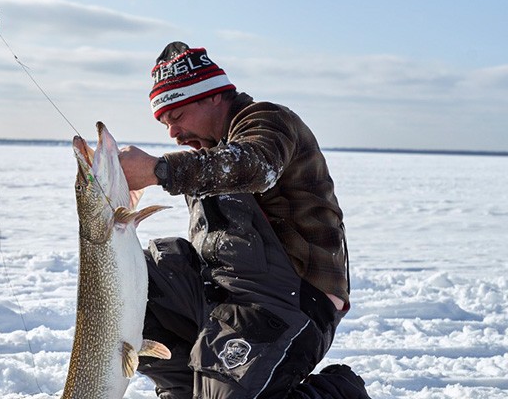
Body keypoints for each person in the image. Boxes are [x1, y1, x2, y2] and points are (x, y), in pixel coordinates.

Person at [119, 42, 371, 398]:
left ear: (211, 96)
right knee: (132, 292)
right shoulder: (205, 157)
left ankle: (336, 393)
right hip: (224, 296)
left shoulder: (267, 121)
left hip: (292, 302)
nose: (172, 133)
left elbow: (255, 166)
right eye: (164, 124)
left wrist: (159, 170)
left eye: (176, 116)